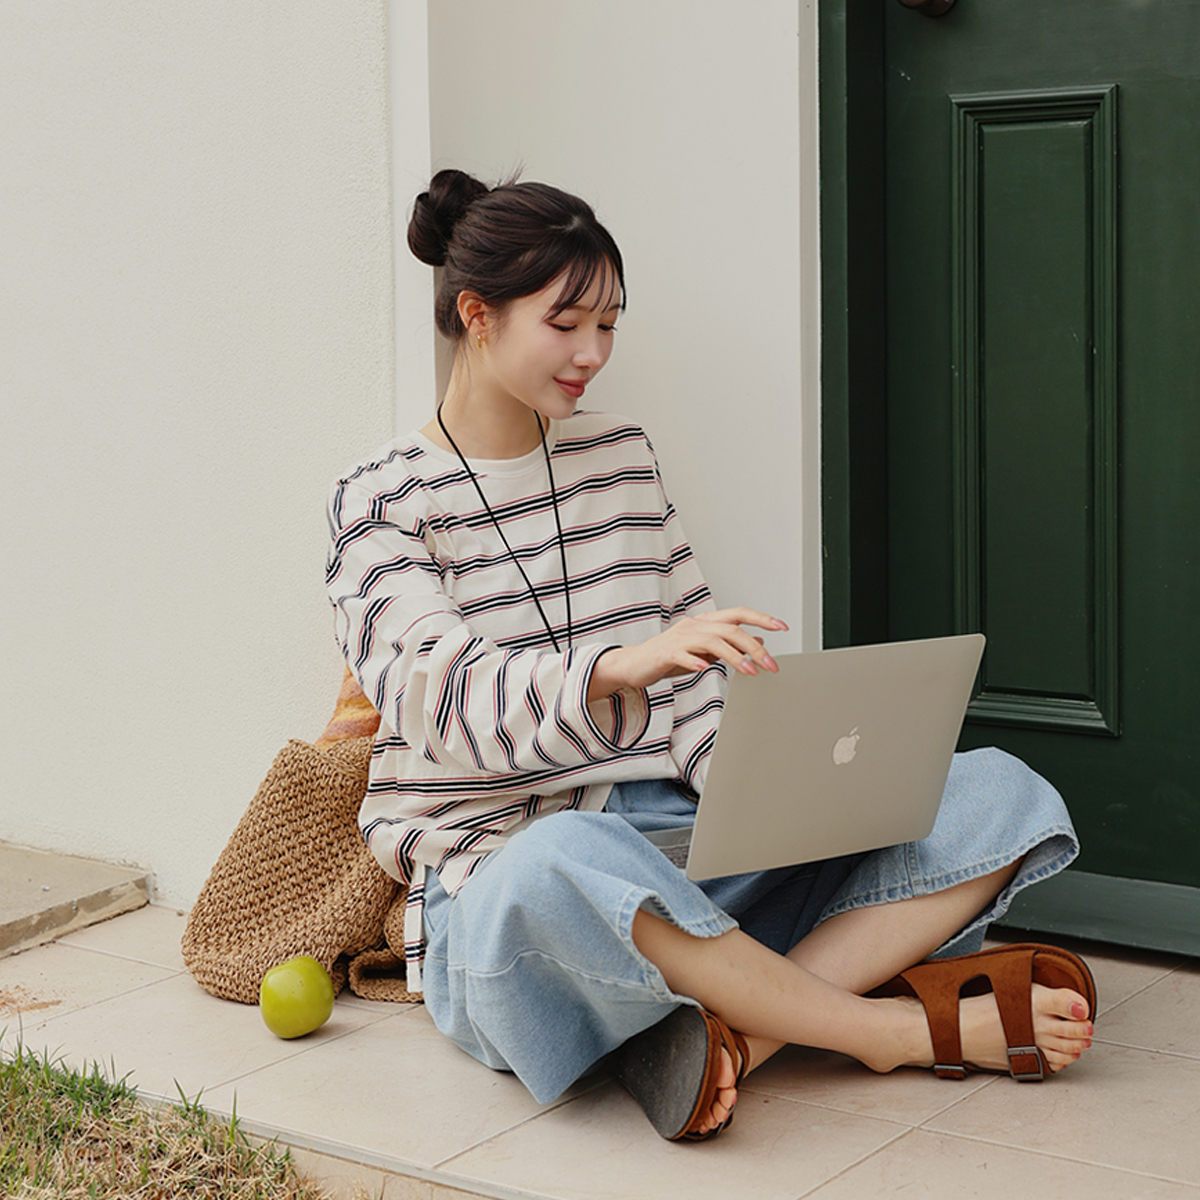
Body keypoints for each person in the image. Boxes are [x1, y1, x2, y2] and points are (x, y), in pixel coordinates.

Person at [325, 169, 1095, 1141]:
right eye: (567, 324)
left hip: (673, 848)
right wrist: (618, 668)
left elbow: (694, 685)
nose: (594, 353)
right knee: (559, 856)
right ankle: (887, 1030)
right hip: (504, 892)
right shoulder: (380, 499)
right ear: (477, 315)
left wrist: (767, 793)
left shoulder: (621, 460)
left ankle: (738, 1037)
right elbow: (443, 703)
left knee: (997, 792)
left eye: (609, 324)